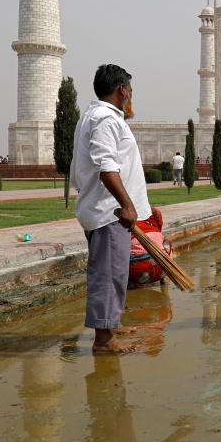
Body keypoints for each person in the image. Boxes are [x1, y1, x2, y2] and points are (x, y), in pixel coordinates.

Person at [72, 64, 153, 354]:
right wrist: (127, 205)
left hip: (106, 209)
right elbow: (106, 165)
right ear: (122, 90)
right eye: (130, 90)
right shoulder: (105, 119)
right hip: (109, 211)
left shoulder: (98, 117)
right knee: (107, 274)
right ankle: (104, 340)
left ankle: (110, 323)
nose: (132, 95)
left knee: (116, 272)